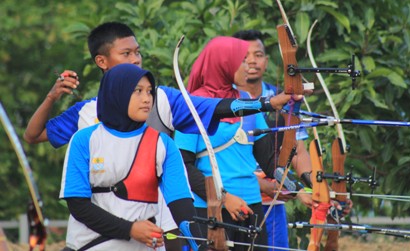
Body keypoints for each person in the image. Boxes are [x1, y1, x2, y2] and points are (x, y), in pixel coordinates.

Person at [23, 22, 303, 250]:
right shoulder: (85, 117)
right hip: (94, 237)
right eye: (126, 53)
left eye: (138, 52)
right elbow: (34, 136)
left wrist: (266, 103)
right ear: (102, 61)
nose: (135, 59)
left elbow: (211, 108)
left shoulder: (162, 103)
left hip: (159, 229)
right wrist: (52, 96)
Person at [60, 63, 204, 250]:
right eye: (138, 91)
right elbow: (78, 205)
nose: (147, 99)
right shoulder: (84, 140)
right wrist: (130, 229)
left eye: (150, 92)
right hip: (89, 245)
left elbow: (181, 205)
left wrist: (200, 246)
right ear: (116, 93)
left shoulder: (163, 144)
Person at [174, 36, 287, 250]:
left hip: (251, 207)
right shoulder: (193, 105)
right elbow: (183, 167)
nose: (248, 66)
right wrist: (224, 198)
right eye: (241, 60)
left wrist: (289, 182)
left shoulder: (247, 102)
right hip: (210, 209)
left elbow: (269, 163)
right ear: (223, 64)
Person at [233, 29, 313, 250]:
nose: (251, 61)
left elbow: (297, 149)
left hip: (274, 202)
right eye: (243, 55)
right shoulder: (224, 102)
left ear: (266, 61)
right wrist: (263, 185)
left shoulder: (284, 97)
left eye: (258, 55)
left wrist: (310, 186)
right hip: (235, 202)